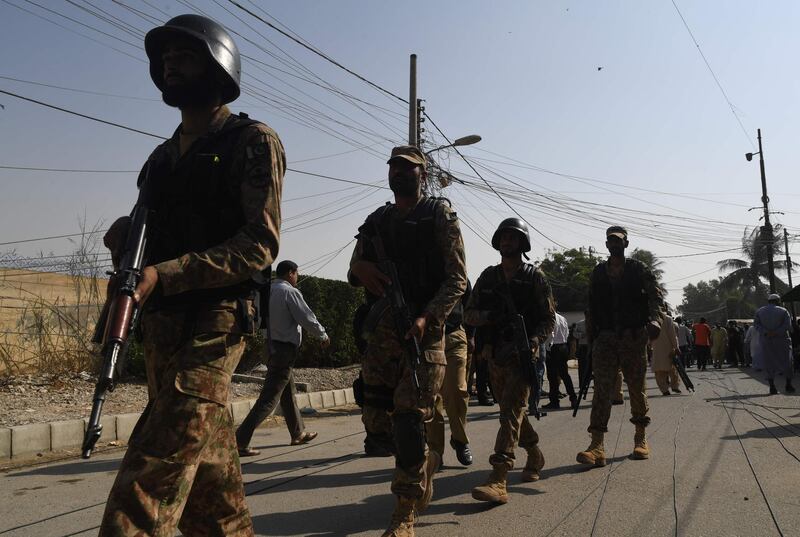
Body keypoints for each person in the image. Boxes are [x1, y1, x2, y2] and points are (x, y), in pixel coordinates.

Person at [99, 14, 284, 536]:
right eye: (164, 58)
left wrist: (167, 272)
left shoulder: (252, 140)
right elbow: (152, 242)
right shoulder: (159, 160)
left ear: (218, 65)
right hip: (162, 328)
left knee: (149, 478)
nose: (168, 63)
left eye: (183, 54)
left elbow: (259, 244)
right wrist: (127, 241)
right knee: (211, 497)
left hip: (215, 325)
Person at [348, 145, 467, 536]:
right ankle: (425, 461)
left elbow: (457, 280)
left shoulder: (438, 216)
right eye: (394, 168)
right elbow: (354, 268)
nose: (399, 174)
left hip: (425, 334)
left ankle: (404, 511)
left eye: (408, 169)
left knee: (410, 419)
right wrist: (362, 267)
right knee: (377, 422)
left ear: (423, 174)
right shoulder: (377, 220)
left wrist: (426, 316)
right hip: (383, 335)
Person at [466, 218, 556, 504]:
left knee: (509, 412)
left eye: (512, 238)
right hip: (494, 355)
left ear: (522, 243)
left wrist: (533, 342)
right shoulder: (488, 277)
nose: (507, 242)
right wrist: (490, 318)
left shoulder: (534, 277)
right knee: (512, 409)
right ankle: (534, 453)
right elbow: (468, 313)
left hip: (521, 354)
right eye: (503, 238)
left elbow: (548, 319)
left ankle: (499, 476)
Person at [577, 226, 663, 468]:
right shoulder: (598, 273)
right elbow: (591, 306)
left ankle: (640, 437)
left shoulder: (638, 270)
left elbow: (656, 297)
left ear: (626, 244)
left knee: (636, 387)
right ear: (606, 245)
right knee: (602, 390)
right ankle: (596, 445)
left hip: (633, 337)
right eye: (610, 241)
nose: (614, 244)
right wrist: (591, 339)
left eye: (619, 241)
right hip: (605, 339)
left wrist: (655, 319)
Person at [236, 260, 329, 456]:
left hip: (269, 347)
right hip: (284, 350)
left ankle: (298, 433)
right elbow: (306, 316)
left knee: (287, 393)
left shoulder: (265, 290)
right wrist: (322, 334)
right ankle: (239, 440)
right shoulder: (289, 292)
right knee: (269, 399)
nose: (297, 277)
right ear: (290, 273)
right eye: (297, 273)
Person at [427, 281, 475, 468]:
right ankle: (435, 452)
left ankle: (460, 440)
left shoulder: (455, 271)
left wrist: (471, 335)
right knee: (432, 398)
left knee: (456, 390)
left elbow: (470, 306)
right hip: (427, 338)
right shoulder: (414, 268)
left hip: (455, 335)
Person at [754, 294, 796, 394]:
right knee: (787, 361)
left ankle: (772, 387)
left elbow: (756, 325)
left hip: (767, 340)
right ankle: (788, 385)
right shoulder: (783, 311)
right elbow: (787, 325)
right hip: (782, 340)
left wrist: (767, 332)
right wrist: (776, 332)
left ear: (769, 301)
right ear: (778, 301)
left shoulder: (759, 311)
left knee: (769, 363)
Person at [543, 310, 577, 409]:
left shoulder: (550, 318)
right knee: (565, 374)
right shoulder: (563, 318)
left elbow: (551, 334)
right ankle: (573, 398)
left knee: (552, 376)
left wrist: (548, 347)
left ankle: (554, 401)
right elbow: (566, 333)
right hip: (563, 346)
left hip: (554, 347)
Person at [651, 313, 681, 395]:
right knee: (673, 369)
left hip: (656, 349)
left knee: (659, 371)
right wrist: (676, 346)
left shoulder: (651, 319)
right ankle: (675, 386)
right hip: (668, 348)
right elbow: (673, 335)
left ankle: (664, 390)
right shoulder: (668, 319)